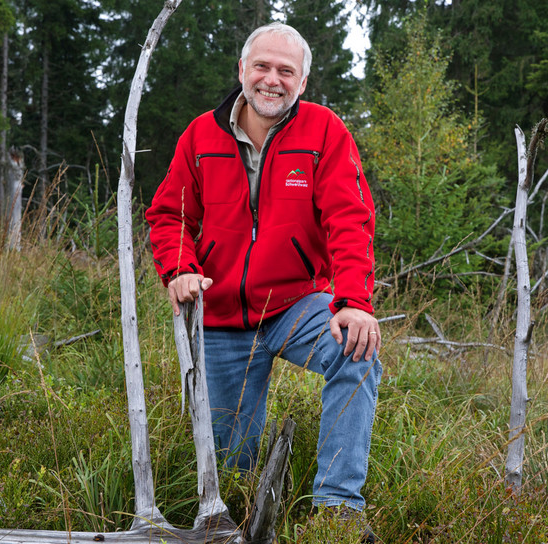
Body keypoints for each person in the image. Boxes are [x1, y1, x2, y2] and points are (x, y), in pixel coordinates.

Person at [145, 22, 381, 542]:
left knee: (357, 351)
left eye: (285, 71)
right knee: (235, 471)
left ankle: (338, 506)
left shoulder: (324, 132)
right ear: (242, 71)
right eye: (263, 67)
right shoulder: (200, 135)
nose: (272, 80)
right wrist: (179, 270)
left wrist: (354, 302)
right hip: (224, 316)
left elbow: (350, 218)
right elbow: (168, 216)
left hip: (298, 304)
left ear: (302, 83)